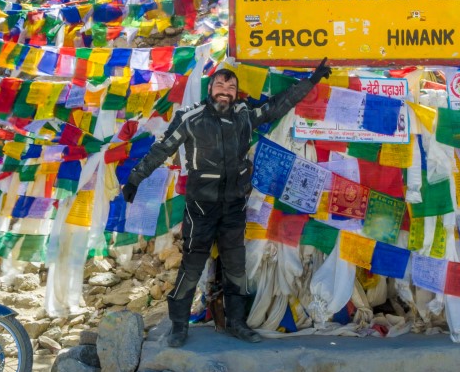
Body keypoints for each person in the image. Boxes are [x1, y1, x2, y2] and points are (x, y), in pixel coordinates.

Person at [122, 58, 332, 347]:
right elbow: (163, 148)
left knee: (236, 266)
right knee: (193, 265)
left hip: (234, 204)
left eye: (231, 87)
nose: (225, 90)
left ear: (236, 93)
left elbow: (280, 104)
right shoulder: (190, 118)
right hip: (200, 206)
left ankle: (236, 323)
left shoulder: (245, 115)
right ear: (210, 89)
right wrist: (135, 178)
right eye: (220, 85)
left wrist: (312, 80)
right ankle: (179, 326)